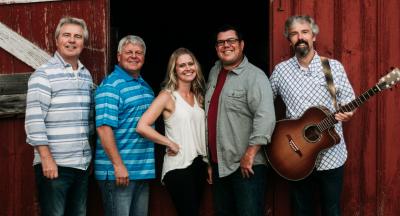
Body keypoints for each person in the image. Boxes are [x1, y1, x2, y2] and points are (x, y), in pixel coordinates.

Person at [270, 15, 356, 216]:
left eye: (305, 32)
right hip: (295, 154)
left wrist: (349, 113)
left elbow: (349, 100)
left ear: (314, 36)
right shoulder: (281, 71)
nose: (300, 37)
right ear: (289, 40)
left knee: (332, 210)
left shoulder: (332, 67)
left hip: (332, 154)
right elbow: (263, 103)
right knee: (301, 210)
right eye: (294, 34)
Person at [25, 17, 93, 216]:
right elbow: (34, 120)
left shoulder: (85, 75)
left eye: (78, 36)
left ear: (83, 43)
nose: (72, 40)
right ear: (57, 40)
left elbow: (87, 120)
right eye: (67, 35)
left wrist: (86, 158)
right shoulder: (43, 74)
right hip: (55, 165)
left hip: (80, 165)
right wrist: (46, 159)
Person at [205, 25, 276, 216]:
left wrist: (250, 153)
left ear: (241, 45)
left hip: (246, 166)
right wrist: (211, 163)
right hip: (220, 164)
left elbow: (266, 116)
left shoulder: (255, 76)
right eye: (221, 42)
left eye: (231, 41)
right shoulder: (214, 72)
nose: (226, 46)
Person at [136, 47, 208, 216]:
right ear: (174, 71)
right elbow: (142, 126)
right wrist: (169, 143)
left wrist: (208, 164)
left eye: (191, 64)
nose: (188, 68)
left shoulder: (199, 96)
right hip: (178, 166)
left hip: (199, 164)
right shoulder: (167, 96)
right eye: (182, 65)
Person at [95, 35, 155, 216]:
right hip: (119, 172)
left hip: (141, 171)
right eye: (129, 52)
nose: (134, 56)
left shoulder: (145, 86)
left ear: (144, 57)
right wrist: (118, 165)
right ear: (119, 56)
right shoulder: (111, 86)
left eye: (139, 53)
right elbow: (104, 128)